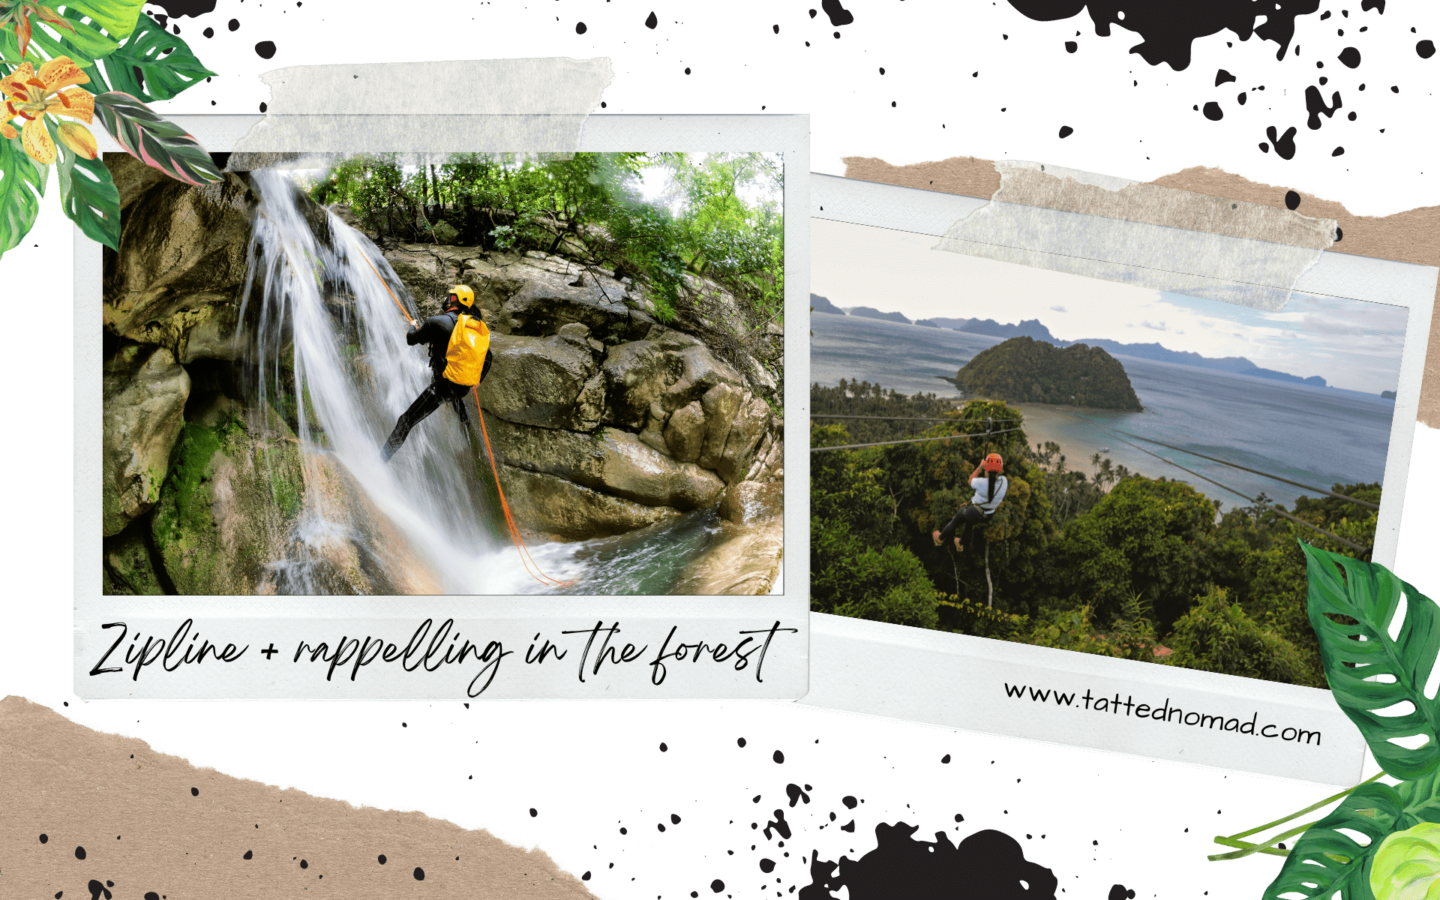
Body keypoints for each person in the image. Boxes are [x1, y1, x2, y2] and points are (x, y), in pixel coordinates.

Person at [381, 285, 493, 463]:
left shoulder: (438, 322)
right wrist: (478, 380)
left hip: (444, 387)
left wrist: (413, 326)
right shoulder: (474, 328)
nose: (447, 298)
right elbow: (488, 356)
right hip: (463, 386)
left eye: (450, 295)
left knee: (406, 420)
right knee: (454, 390)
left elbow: (411, 340)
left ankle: (380, 461)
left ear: (454, 299)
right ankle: (463, 417)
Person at [932, 453, 1008, 551]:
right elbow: (991, 483)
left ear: (987, 468)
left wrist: (980, 467)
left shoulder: (981, 483)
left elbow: (970, 480)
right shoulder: (1004, 481)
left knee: (956, 521)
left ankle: (940, 538)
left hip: (973, 511)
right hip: (988, 515)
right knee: (970, 523)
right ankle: (960, 544)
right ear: (1000, 468)